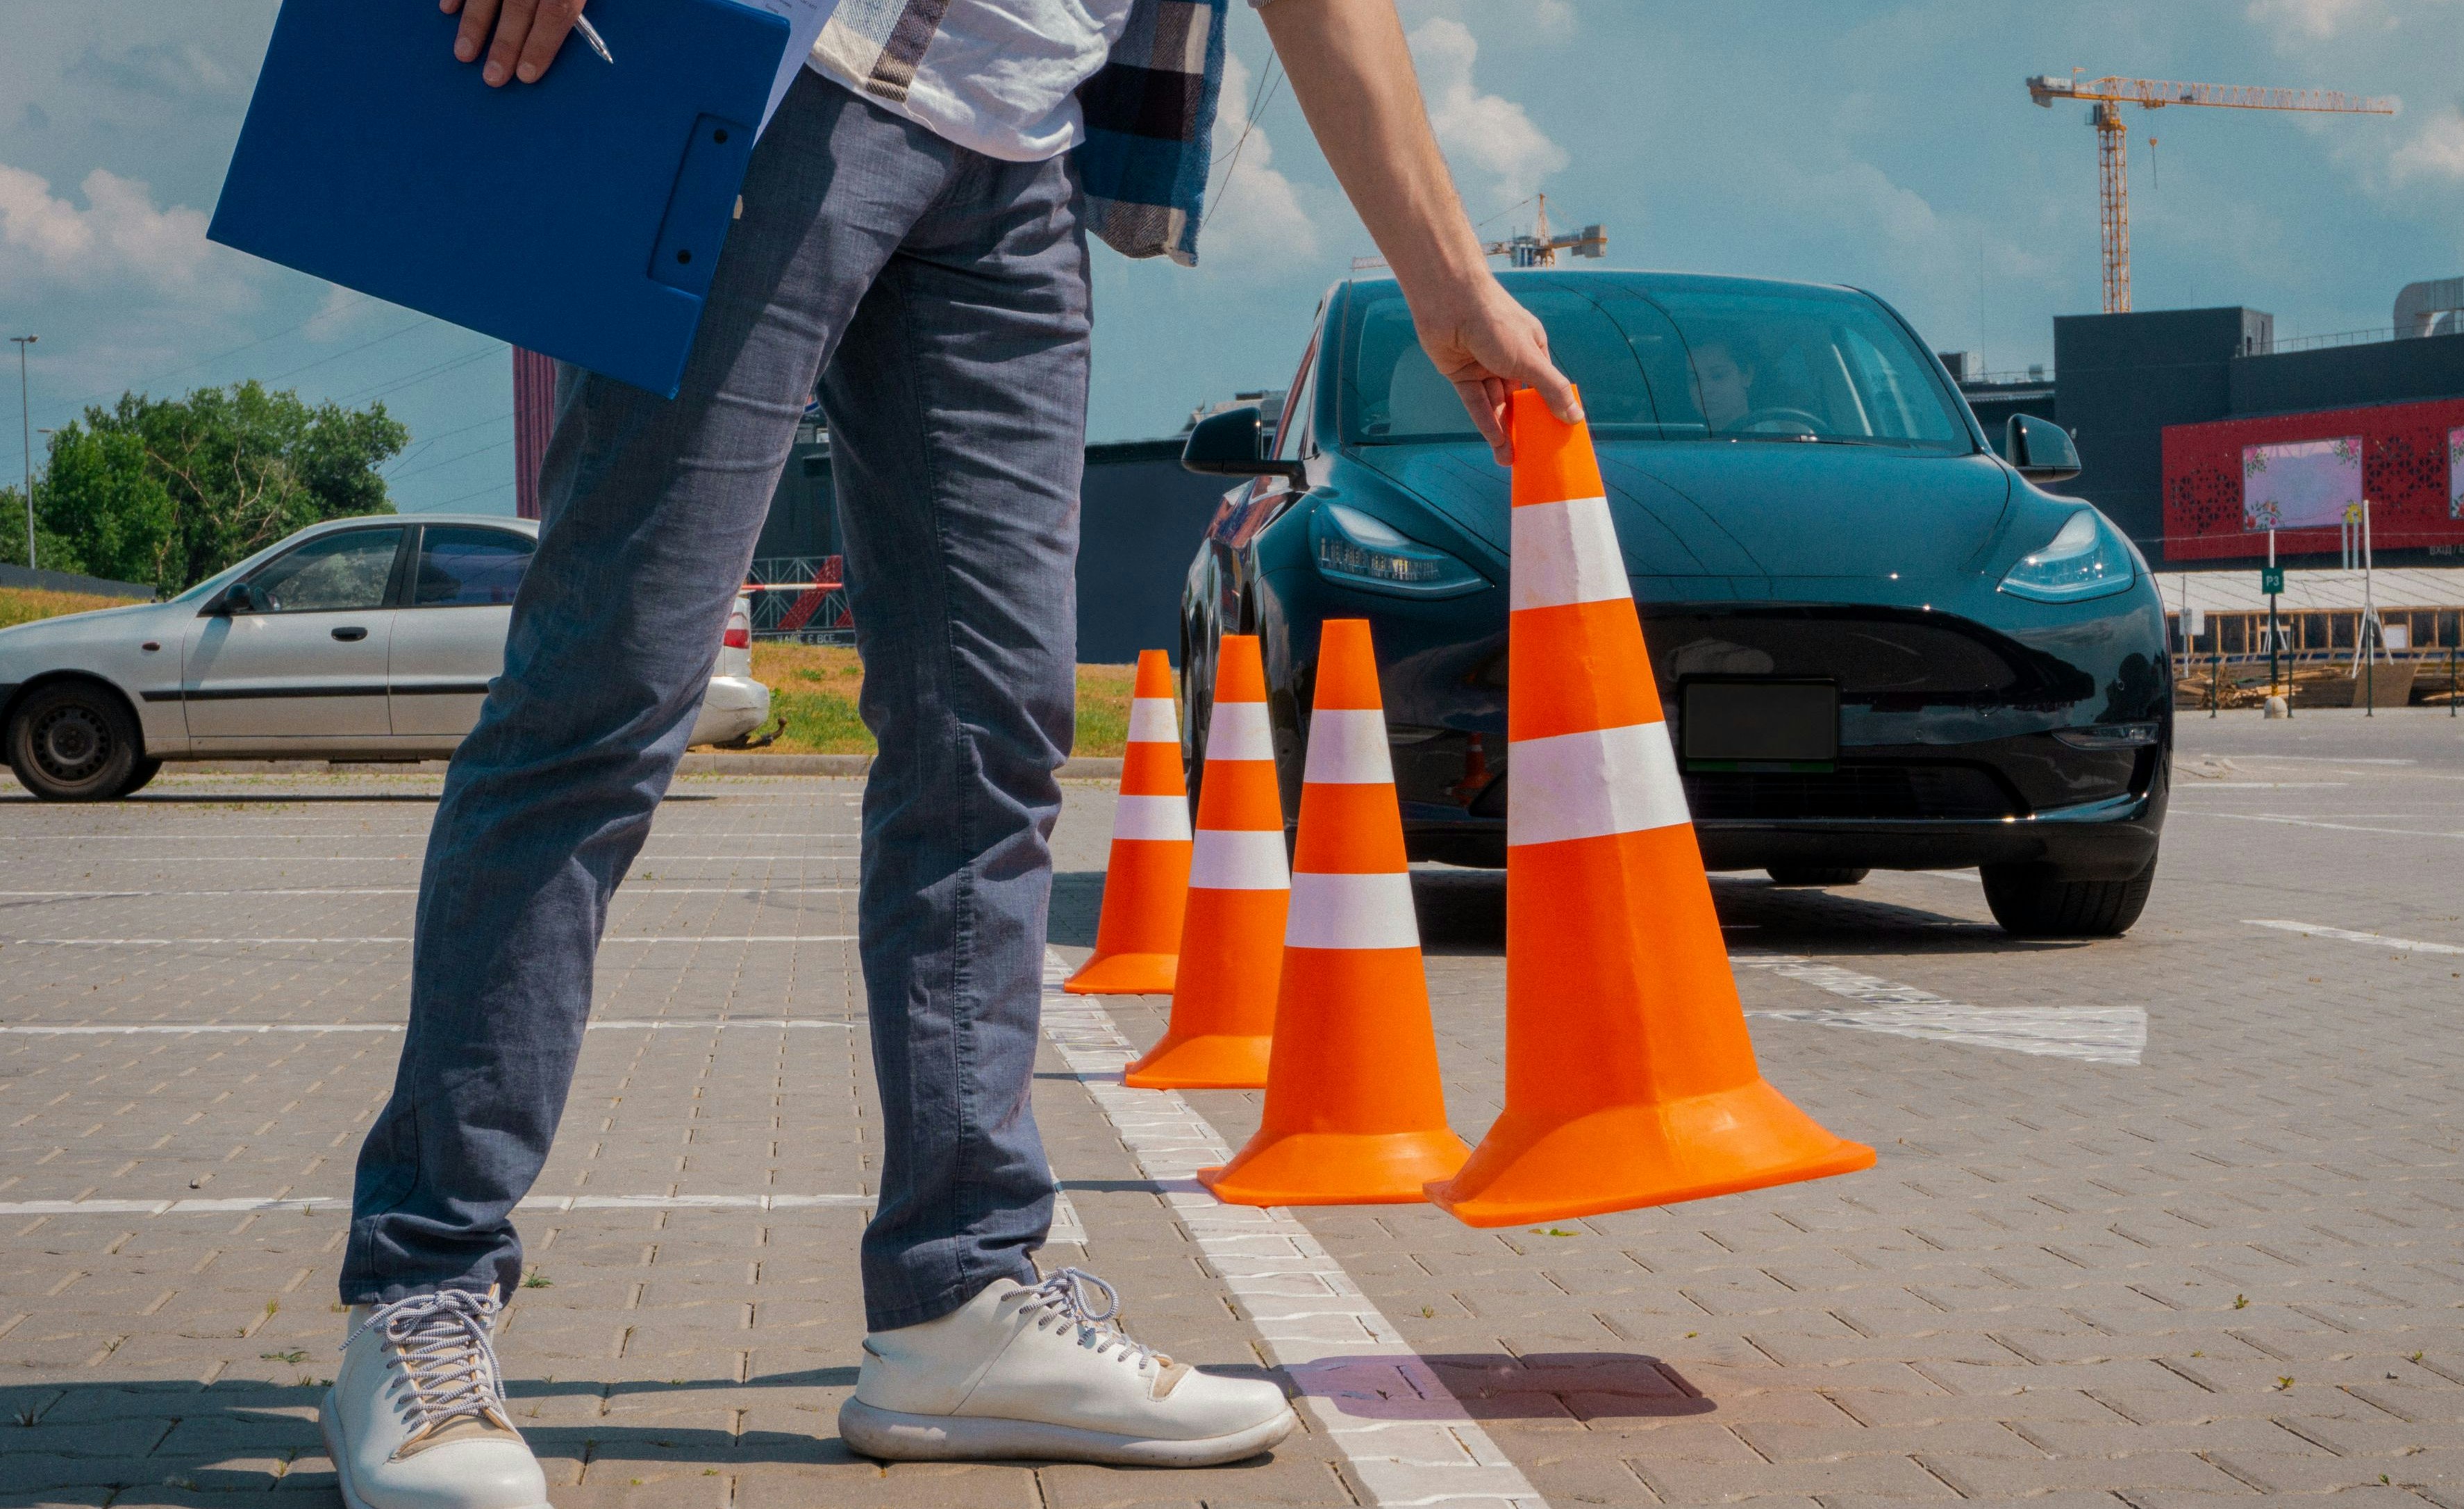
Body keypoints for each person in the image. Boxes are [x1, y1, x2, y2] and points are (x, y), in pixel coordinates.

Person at [317, 0, 1581, 1504]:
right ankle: (423, 1286)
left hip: (1020, 157)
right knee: (605, 699)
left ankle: (958, 1300)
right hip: (787, 86)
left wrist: (1448, 280)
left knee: (990, 735)